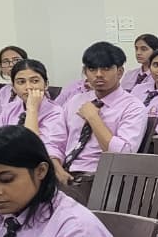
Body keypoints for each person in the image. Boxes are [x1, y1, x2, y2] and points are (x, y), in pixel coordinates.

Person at [50, 43, 148, 205]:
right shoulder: (76, 101)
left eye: (106, 69)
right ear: (85, 72)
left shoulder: (133, 107)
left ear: (120, 72)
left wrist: (93, 118)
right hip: (63, 174)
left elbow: (122, 156)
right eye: (92, 69)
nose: (99, 75)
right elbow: (54, 141)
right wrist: (58, 169)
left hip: (100, 179)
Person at [0, 59, 68, 160]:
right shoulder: (10, 108)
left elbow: (34, 149)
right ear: (13, 88)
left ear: (46, 84)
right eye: (21, 82)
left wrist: (32, 109)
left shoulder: (55, 112)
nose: (28, 87)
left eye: (35, 81)